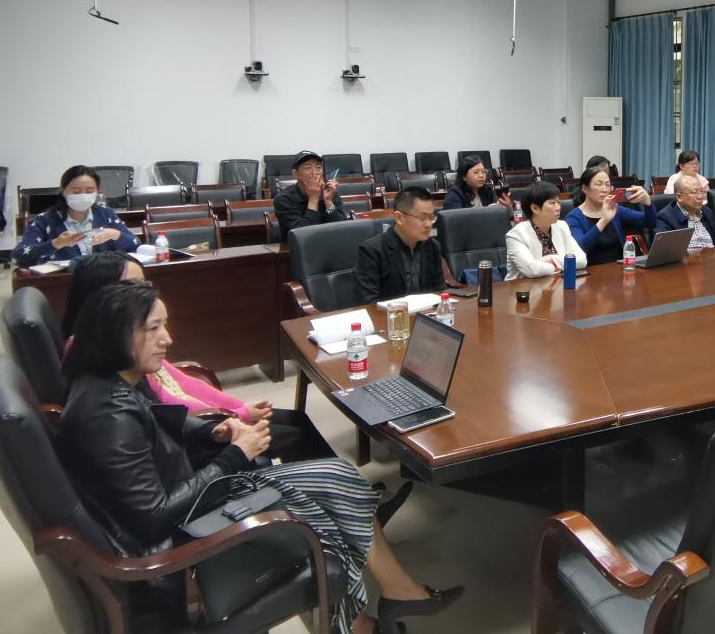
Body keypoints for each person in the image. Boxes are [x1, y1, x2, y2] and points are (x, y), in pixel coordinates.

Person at [60, 281, 461, 634]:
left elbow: (161, 420)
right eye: (153, 328)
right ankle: (372, 616)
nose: (167, 339)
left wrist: (213, 430)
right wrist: (236, 454)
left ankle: (385, 603)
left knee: (339, 478)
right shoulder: (108, 417)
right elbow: (152, 518)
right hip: (183, 537)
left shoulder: (119, 378)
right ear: (114, 333)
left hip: (195, 497)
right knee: (329, 504)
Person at [62, 252, 335, 463]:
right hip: (183, 439)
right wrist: (237, 415)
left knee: (297, 420)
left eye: (144, 283)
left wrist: (239, 407)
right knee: (295, 437)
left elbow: (180, 382)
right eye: (132, 285)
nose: (143, 292)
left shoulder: (130, 341)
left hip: (197, 425)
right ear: (105, 296)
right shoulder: (106, 352)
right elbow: (167, 404)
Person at [12, 164, 139, 266]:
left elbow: (136, 245)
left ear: (98, 192)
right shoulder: (45, 220)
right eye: (76, 191)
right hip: (63, 282)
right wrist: (55, 244)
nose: (83, 196)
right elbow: (18, 257)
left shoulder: (106, 214)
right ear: (63, 191)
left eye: (90, 191)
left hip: (105, 281)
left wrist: (116, 234)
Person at [355, 187, 447, 302]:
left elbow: (439, 291)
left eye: (431, 217)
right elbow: (368, 302)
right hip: (389, 312)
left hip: (427, 311)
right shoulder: (372, 251)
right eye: (423, 217)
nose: (429, 224)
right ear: (399, 218)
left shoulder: (433, 246)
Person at [566, 167, 657, 266]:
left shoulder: (615, 209)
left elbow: (648, 222)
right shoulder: (574, 217)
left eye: (607, 185)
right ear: (584, 188)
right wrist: (604, 220)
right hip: (591, 271)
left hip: (620, 268)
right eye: (599, 184)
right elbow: (580, 249)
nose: (605, 189)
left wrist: (647, 202)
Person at [505, 182, 587, 279]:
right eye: (552, 203)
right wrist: (561, 266)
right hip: (524, 287)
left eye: (558, 202)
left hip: (557, 284)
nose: (558, 207)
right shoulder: (516, 235)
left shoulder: (562, 226)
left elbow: (582, 260)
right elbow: (532, 270)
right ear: (535, 208)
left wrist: (550, 258)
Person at [273, 151, 348, 235]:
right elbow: (303, 235)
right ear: (295, 174)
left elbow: (342, 229)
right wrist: (313, 199)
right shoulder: (283, 199)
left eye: (318, 167)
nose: (314, 173)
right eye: (308, 168)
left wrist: (328, 202)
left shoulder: (329, 192)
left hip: (329, 241)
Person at [655, 174, 715, 251]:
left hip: (711, 255)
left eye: (702, 191)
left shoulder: (706, 211)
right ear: (679, 197)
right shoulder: (665, 217)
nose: (700, 197)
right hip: (687, 258)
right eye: (694, 192)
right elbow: (663, 248)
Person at [442, 155, 509, 211]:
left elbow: (502, 217)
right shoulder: (454, 195)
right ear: (464, 176)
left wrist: (506, 209)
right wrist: (486, 213)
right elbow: (454, 220)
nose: (481, 175)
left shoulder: (488, 190)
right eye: (476, 172)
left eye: (483, 171)